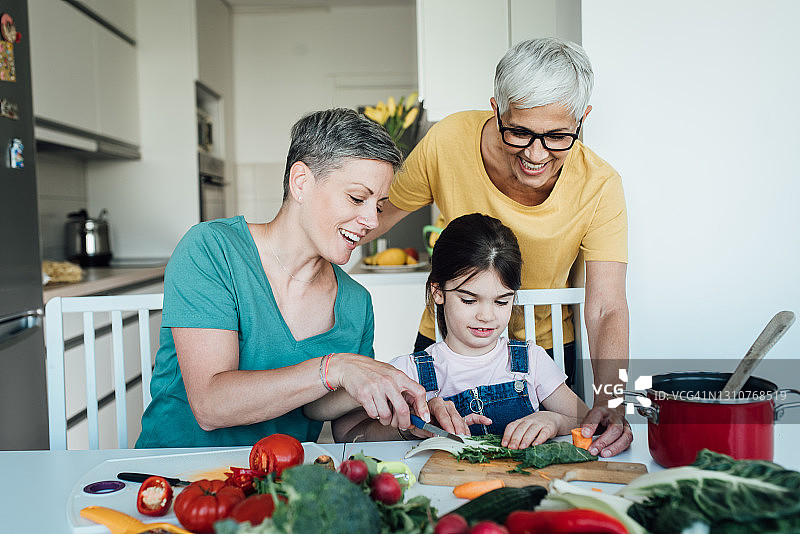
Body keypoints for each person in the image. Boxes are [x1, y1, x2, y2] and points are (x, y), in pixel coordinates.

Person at [366, 37, 632, 456]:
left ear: (582, 119)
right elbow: (374, 216)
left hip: (546, 352)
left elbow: (606, 308)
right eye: (519, 132)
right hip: (447, 343)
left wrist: (611, 404)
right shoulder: (447, 142)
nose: (536, 154)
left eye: (558, 136)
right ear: (497, 110)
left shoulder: (599, 185)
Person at [137, 108, 455, 448]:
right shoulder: (212, 250)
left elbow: (348, 431)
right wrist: (333, 369)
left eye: (378, 206)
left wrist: (410, 424)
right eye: (357, 198)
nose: (373, 222)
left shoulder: (355, 302)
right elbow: (211, 405)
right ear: (301, 182)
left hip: (285, 476)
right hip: (172, 472)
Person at [389, 214, 592, 449]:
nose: (486, 316)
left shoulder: (531, 360)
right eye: (469, 300)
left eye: (501, 302)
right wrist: (410, 429)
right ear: (438, 292)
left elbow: (585, 420)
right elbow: (361, 433)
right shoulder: (410, 372)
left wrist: (554, 420)